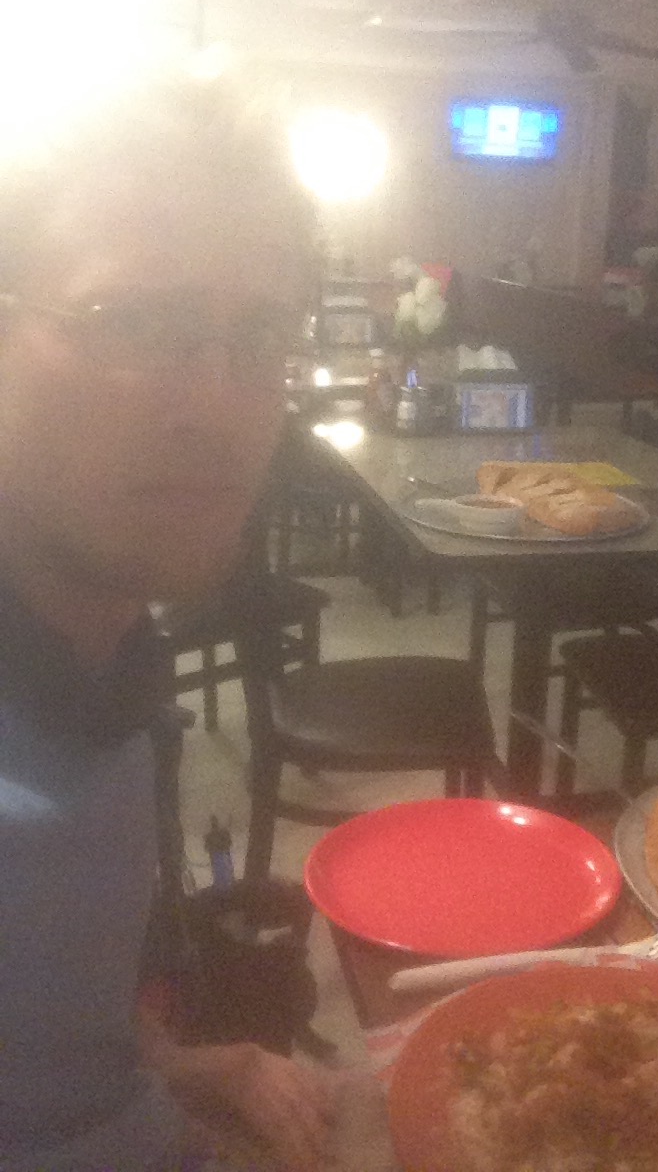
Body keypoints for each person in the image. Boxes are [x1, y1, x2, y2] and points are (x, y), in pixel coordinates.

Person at [0, 74, 334, 1170]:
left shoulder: (101, 668)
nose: (219, 405)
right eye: (137, 323)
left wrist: (187, 1068)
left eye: (260, 334)